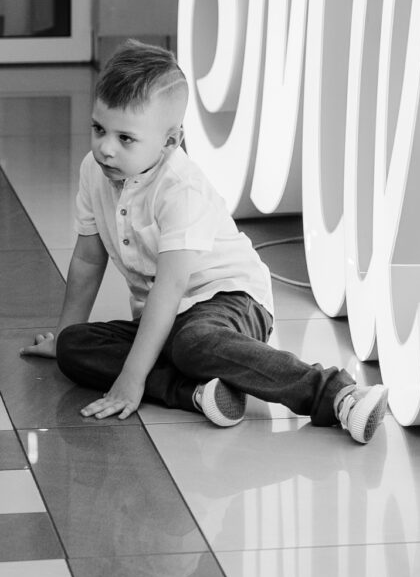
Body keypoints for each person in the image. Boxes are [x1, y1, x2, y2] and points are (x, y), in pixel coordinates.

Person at [20, 40, 388, 444]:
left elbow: (171, 285)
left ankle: (336, 394)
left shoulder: (181, 188)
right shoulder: (94, 172)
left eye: (125, 138)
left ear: (170, 142)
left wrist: (132, 379)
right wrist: (63, 336)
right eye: (98, 129)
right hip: (165, 318)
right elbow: (88, 261)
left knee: (192, 343)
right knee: (75, 348)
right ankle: (198, 393)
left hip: (231, 302)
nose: (105, 148)